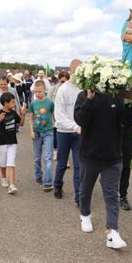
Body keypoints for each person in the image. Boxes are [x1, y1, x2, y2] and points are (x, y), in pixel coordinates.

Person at [74, 88, 132, 249]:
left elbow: (128, 122)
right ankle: (85, 214)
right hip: (90, 155)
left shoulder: (117, 96)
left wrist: (128, 103)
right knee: (86, 189)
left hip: (113, 156)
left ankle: (113, 232)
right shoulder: (84, 95)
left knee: (112, 194)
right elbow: (81, 120)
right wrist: (89, 99)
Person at [53, 62, 81, 204]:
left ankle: (78, 197)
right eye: (77, 71)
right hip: (64, 132)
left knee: (79, 166)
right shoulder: (63, 89)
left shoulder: (83, 89)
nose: (79, 73)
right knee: (62, 163)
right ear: (71, 71)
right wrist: (75, 126)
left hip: (79, 134)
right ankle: (57, 185)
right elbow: (59, 115)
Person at [0, 92, 27, 194]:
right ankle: (3, 177)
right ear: (6, 103)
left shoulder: (13, 113)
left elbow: (21, 123)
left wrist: (23, 114)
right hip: (1, 142)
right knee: (3, 163)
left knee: (11, 163)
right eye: (12, 102)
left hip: (12, 142)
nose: (14, 104)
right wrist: (0, 119)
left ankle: (12, 185)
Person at [29, 80, 55, 192]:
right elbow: (31, 118)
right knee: (36, 158)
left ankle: (48, 182)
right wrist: (31, 131)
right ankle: (38, 175)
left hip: (48, 132)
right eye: (35, 91)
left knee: (48, 158)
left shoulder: (50, 103)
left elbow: (54, 116)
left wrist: (57, 127)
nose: (37, 94)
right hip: (37, 133)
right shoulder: (33, 104)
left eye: (39, 91)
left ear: (45, 90)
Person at [49, 71, 69, 161]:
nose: (63, 84)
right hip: (54, 116)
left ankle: (65, 158)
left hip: (66, 117)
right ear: (58, 80)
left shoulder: (69, 90)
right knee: (55, 137)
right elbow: (49, 103)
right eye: (62, 81)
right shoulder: (52, 89)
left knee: (65, 138)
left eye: (65, 81)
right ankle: (55, 152)